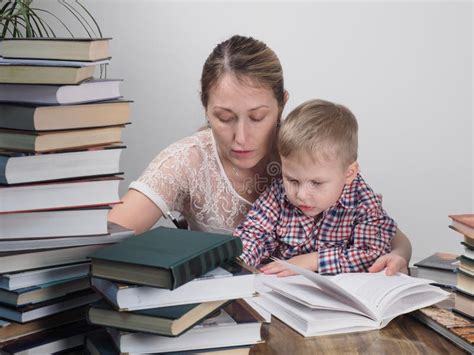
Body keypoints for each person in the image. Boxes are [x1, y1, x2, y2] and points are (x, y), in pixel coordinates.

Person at [108, 34, 411, 275]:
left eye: (258, 117)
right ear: (206, 109)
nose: (241, 138)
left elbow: (386, 234)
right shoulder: (187, 161)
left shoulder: (305, 149)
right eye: (225, 117)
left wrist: (397, 256)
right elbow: (104, 240)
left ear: (282, 104)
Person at [236, 99, 397, 275]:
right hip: (282, 290)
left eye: (316, 183)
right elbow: (254, 234)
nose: (301, 195)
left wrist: (313, 261)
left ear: (349, 173)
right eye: (292, 180)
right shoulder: (277, 195)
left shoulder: (363, 202)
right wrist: (237, 262)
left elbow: (372, 253)